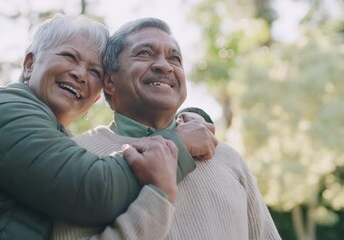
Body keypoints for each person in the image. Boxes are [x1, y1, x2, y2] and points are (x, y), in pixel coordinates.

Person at [0, 14, 216, 240]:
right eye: (69, 56)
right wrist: (177, 143)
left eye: (94, 70)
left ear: (99, 95)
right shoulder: (1, 108)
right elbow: (93, 190)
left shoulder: (61, 139)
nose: (80, 74)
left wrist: (189, 118)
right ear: (29, 64)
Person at [52, 18, 282, 240]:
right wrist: (157, 197)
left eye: (175, 58)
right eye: (144, 53)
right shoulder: (77, 156)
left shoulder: (228, 158)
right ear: (109, 81)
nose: (164, 65)